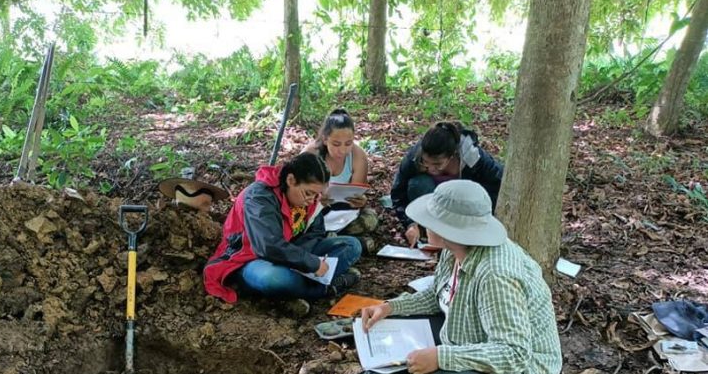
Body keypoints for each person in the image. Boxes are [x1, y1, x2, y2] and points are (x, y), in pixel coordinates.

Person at [349, 179, 561, 374]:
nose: (424, 225)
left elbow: (513, 353)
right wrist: (390, 307)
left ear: (449, 229)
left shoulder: (496, 274)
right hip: (471, 335)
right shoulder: (454, 250)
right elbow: (438, 294)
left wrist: (441, 358)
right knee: (399, 327)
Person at [204, 152, 362, 313]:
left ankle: (295, 292)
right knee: (274, 278)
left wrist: (302, 260)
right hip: (248, 260)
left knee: (351, 245)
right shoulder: (259, 197)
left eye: (317, 194)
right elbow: (267, 246)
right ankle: (325, 289)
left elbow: (315, 232)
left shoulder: (307, 198)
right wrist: (311, 263)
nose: (312, 200)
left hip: (291, 252)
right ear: (291, 180)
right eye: (308, 193)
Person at [391, 121, 503, 247]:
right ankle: (426, 231)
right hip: (431, 203)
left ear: (452, 156)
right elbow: (398, 192)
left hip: (461, 209)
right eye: (426, 162)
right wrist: (410, 223)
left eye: (437, 164)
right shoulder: (415, 156)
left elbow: (496, 184)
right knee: (418, 184)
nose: (431, 168)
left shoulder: (475, 159)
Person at [303, 108, 377, 238]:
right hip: (312, 210)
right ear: (325, 140)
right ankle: (330, 237)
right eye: (336, 144)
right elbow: (297, 191)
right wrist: (316, 200)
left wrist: (360, 201)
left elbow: (356, 191)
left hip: (343, 212)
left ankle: (330, 237)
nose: (342, 150)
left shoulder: (358, 155)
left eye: (348, 144)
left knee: (370, 220)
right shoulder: (311, 154)